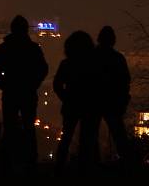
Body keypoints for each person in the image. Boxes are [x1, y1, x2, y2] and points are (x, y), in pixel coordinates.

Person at [0, 15, 49, 172]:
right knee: (28, 127)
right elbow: (43, 69)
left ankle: (7, 161)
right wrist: (34, 84)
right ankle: (30, 160)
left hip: (11, 92)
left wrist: (2, 83)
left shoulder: (6, 47)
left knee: (10, 127)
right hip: (27, 93)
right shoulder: (33, 48)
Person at [53, 30, 99, 176]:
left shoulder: (67, 64)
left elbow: (57, 84)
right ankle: (86, 168)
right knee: (89, 139)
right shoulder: (93, 64)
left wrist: (66, 98)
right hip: (89, 106)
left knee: (66, 138)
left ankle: (59, 168)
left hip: (71, 105)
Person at [94, 26, 132, 166]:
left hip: (96, 101)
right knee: (118, 133)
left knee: (92, 133)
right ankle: (127, 161)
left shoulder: (93, 56)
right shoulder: (118, 58)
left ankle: (93, 161)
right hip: (113, 101)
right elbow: (125, 81)